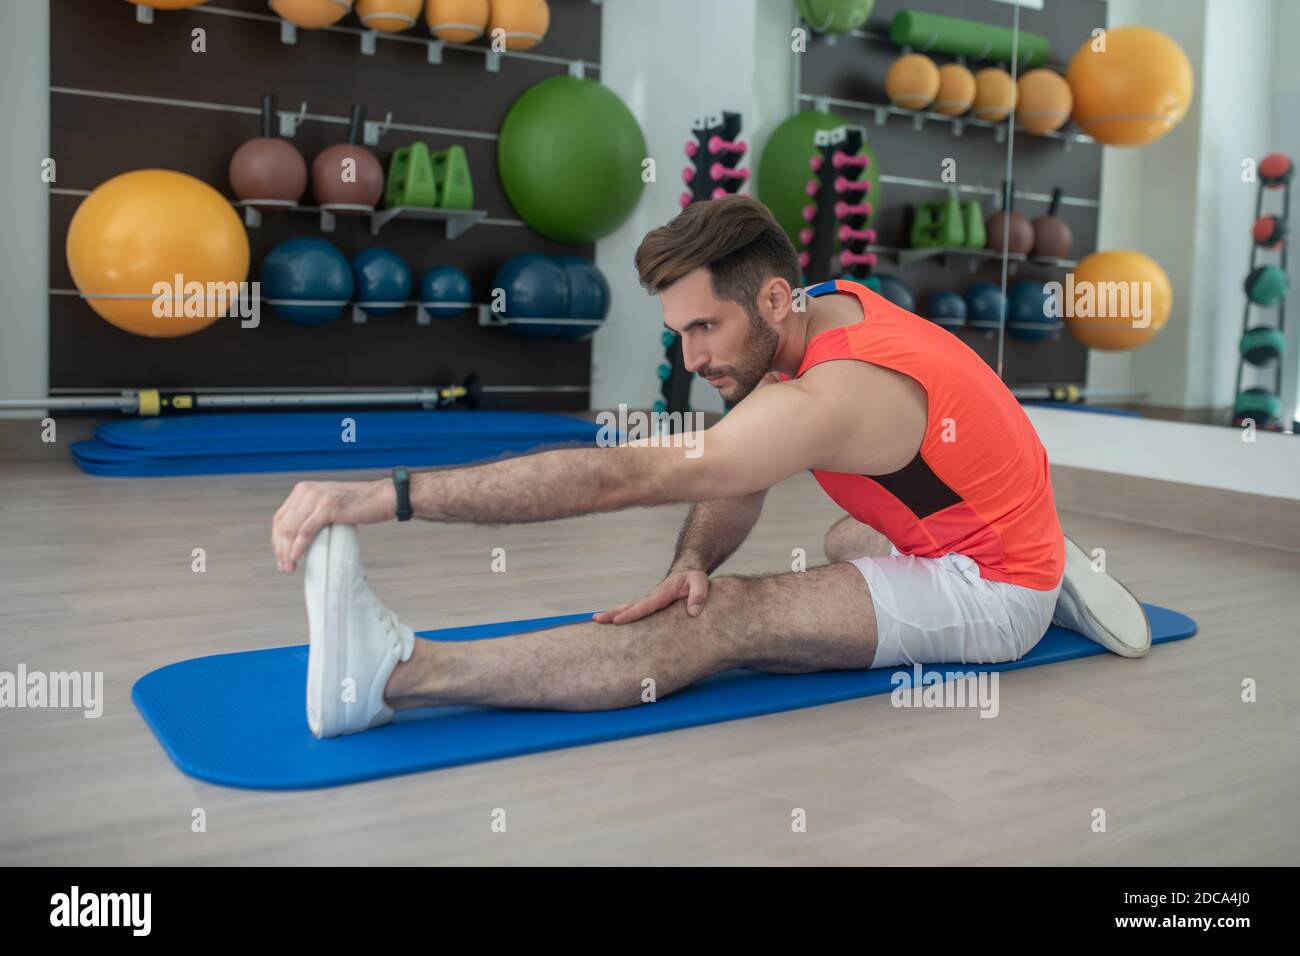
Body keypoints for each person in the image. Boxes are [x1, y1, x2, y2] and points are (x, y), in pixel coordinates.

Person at [272, 195, 1150, 740]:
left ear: (771, 298)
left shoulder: (835, 395)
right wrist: (690, 560)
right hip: (977, 513)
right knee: (846, 532)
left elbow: (623, 477)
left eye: (703, 329)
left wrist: (389, 496)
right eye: (678, 332)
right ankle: (1043, 543)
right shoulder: (810, 312)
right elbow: (744, 475)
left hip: (992, 589)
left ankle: (394, 674)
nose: (691, 357)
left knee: (723, 622)